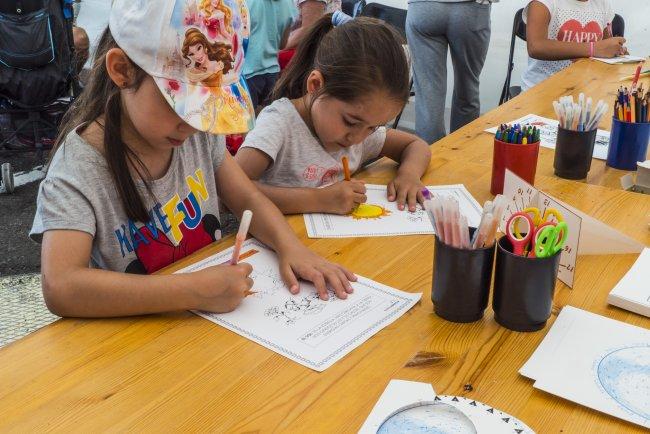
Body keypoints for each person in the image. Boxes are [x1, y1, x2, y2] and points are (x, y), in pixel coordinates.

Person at [30, 0, 356, 318]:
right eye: (180, 103)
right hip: (134, 347)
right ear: (122, 71)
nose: (195, 122)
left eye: (206, 106)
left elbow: (248, 199)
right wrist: (192, 291)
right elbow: (62, 285)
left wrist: (291, 247)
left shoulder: (195, 135)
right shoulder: (78, 170)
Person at [235, 15, 431, 215]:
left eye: (373, 127)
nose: (357, 138)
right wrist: (317, 199)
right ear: (316, 85)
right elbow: (230, 191)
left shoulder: (360, 130)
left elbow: (416, 146)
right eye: (350, 122)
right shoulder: (279, 124)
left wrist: (409, 175)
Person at [406, 0, 497, 144]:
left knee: (428, 94)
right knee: (468, 88)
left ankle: (430, 158)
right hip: (470, 10)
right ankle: (461, 156)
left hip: (424, 8)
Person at [522, 0, 625, 90]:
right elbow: (536, 46)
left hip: (587, 88)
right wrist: (592, 48)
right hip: (541, 90)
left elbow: (606, 48)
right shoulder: (543, 3)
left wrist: (617, 50)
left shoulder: (602, 4)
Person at [243, 0, 296, 110]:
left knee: (243, 123)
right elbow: (282, 44)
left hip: (247, 74)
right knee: (264, 121)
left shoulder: (246, 2)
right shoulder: (288, 4)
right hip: (272, 73)